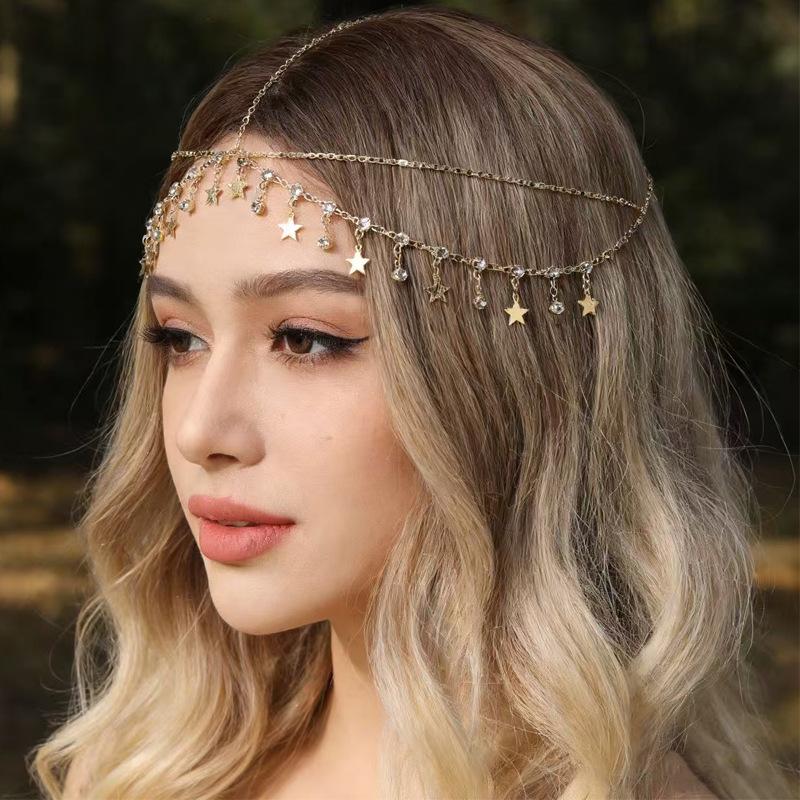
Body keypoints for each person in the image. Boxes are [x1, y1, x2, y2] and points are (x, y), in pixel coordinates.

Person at [31, 6, 793, 799]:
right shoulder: (136, 775)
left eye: (305, 340)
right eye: (180, 338)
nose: (199, 431)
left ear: (518, 377)